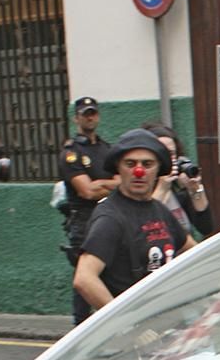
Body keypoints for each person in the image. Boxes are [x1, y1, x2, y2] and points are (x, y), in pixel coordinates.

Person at [73, 129, 189, 315]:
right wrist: (126, 322)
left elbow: (192, 250)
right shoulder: (110, 218)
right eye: (130, 163)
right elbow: (84, 279)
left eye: (147, 164)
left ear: (159, 168)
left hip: (164, 321)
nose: (139, 171)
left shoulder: (159, 210)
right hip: (132, 334)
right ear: (118, 168)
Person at [59, 96, 119, 324]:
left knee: (111, 276)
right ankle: (80, 328)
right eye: (85, 114)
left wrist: (103, 185)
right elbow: (86, 191)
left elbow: (119, 182)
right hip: (83, 222)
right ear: (76, 118)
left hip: (109, 218)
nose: (90, 117)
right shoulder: (71, 153)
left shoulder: (108, 150)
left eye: (93, 113)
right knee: (84, 279)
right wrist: (113, 185)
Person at [144, 124, 213, 238]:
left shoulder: (177, 190)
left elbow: (206, 228)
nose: (167, 158)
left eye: (171, 153)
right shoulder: (138, 188)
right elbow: (142, 222)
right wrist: (162, 187)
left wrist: (195, 189)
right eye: (161, 152)